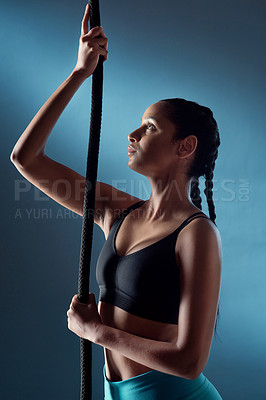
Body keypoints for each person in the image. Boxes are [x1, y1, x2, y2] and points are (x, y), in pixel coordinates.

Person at [10, 4, 223, 399]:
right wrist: (79, 74)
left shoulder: (197, 235)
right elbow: (27, 158)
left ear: (186, 147)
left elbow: (191, 361)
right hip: (116, 393)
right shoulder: (117, 211)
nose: (133, 133)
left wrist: (95, 331)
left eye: (150, 127)